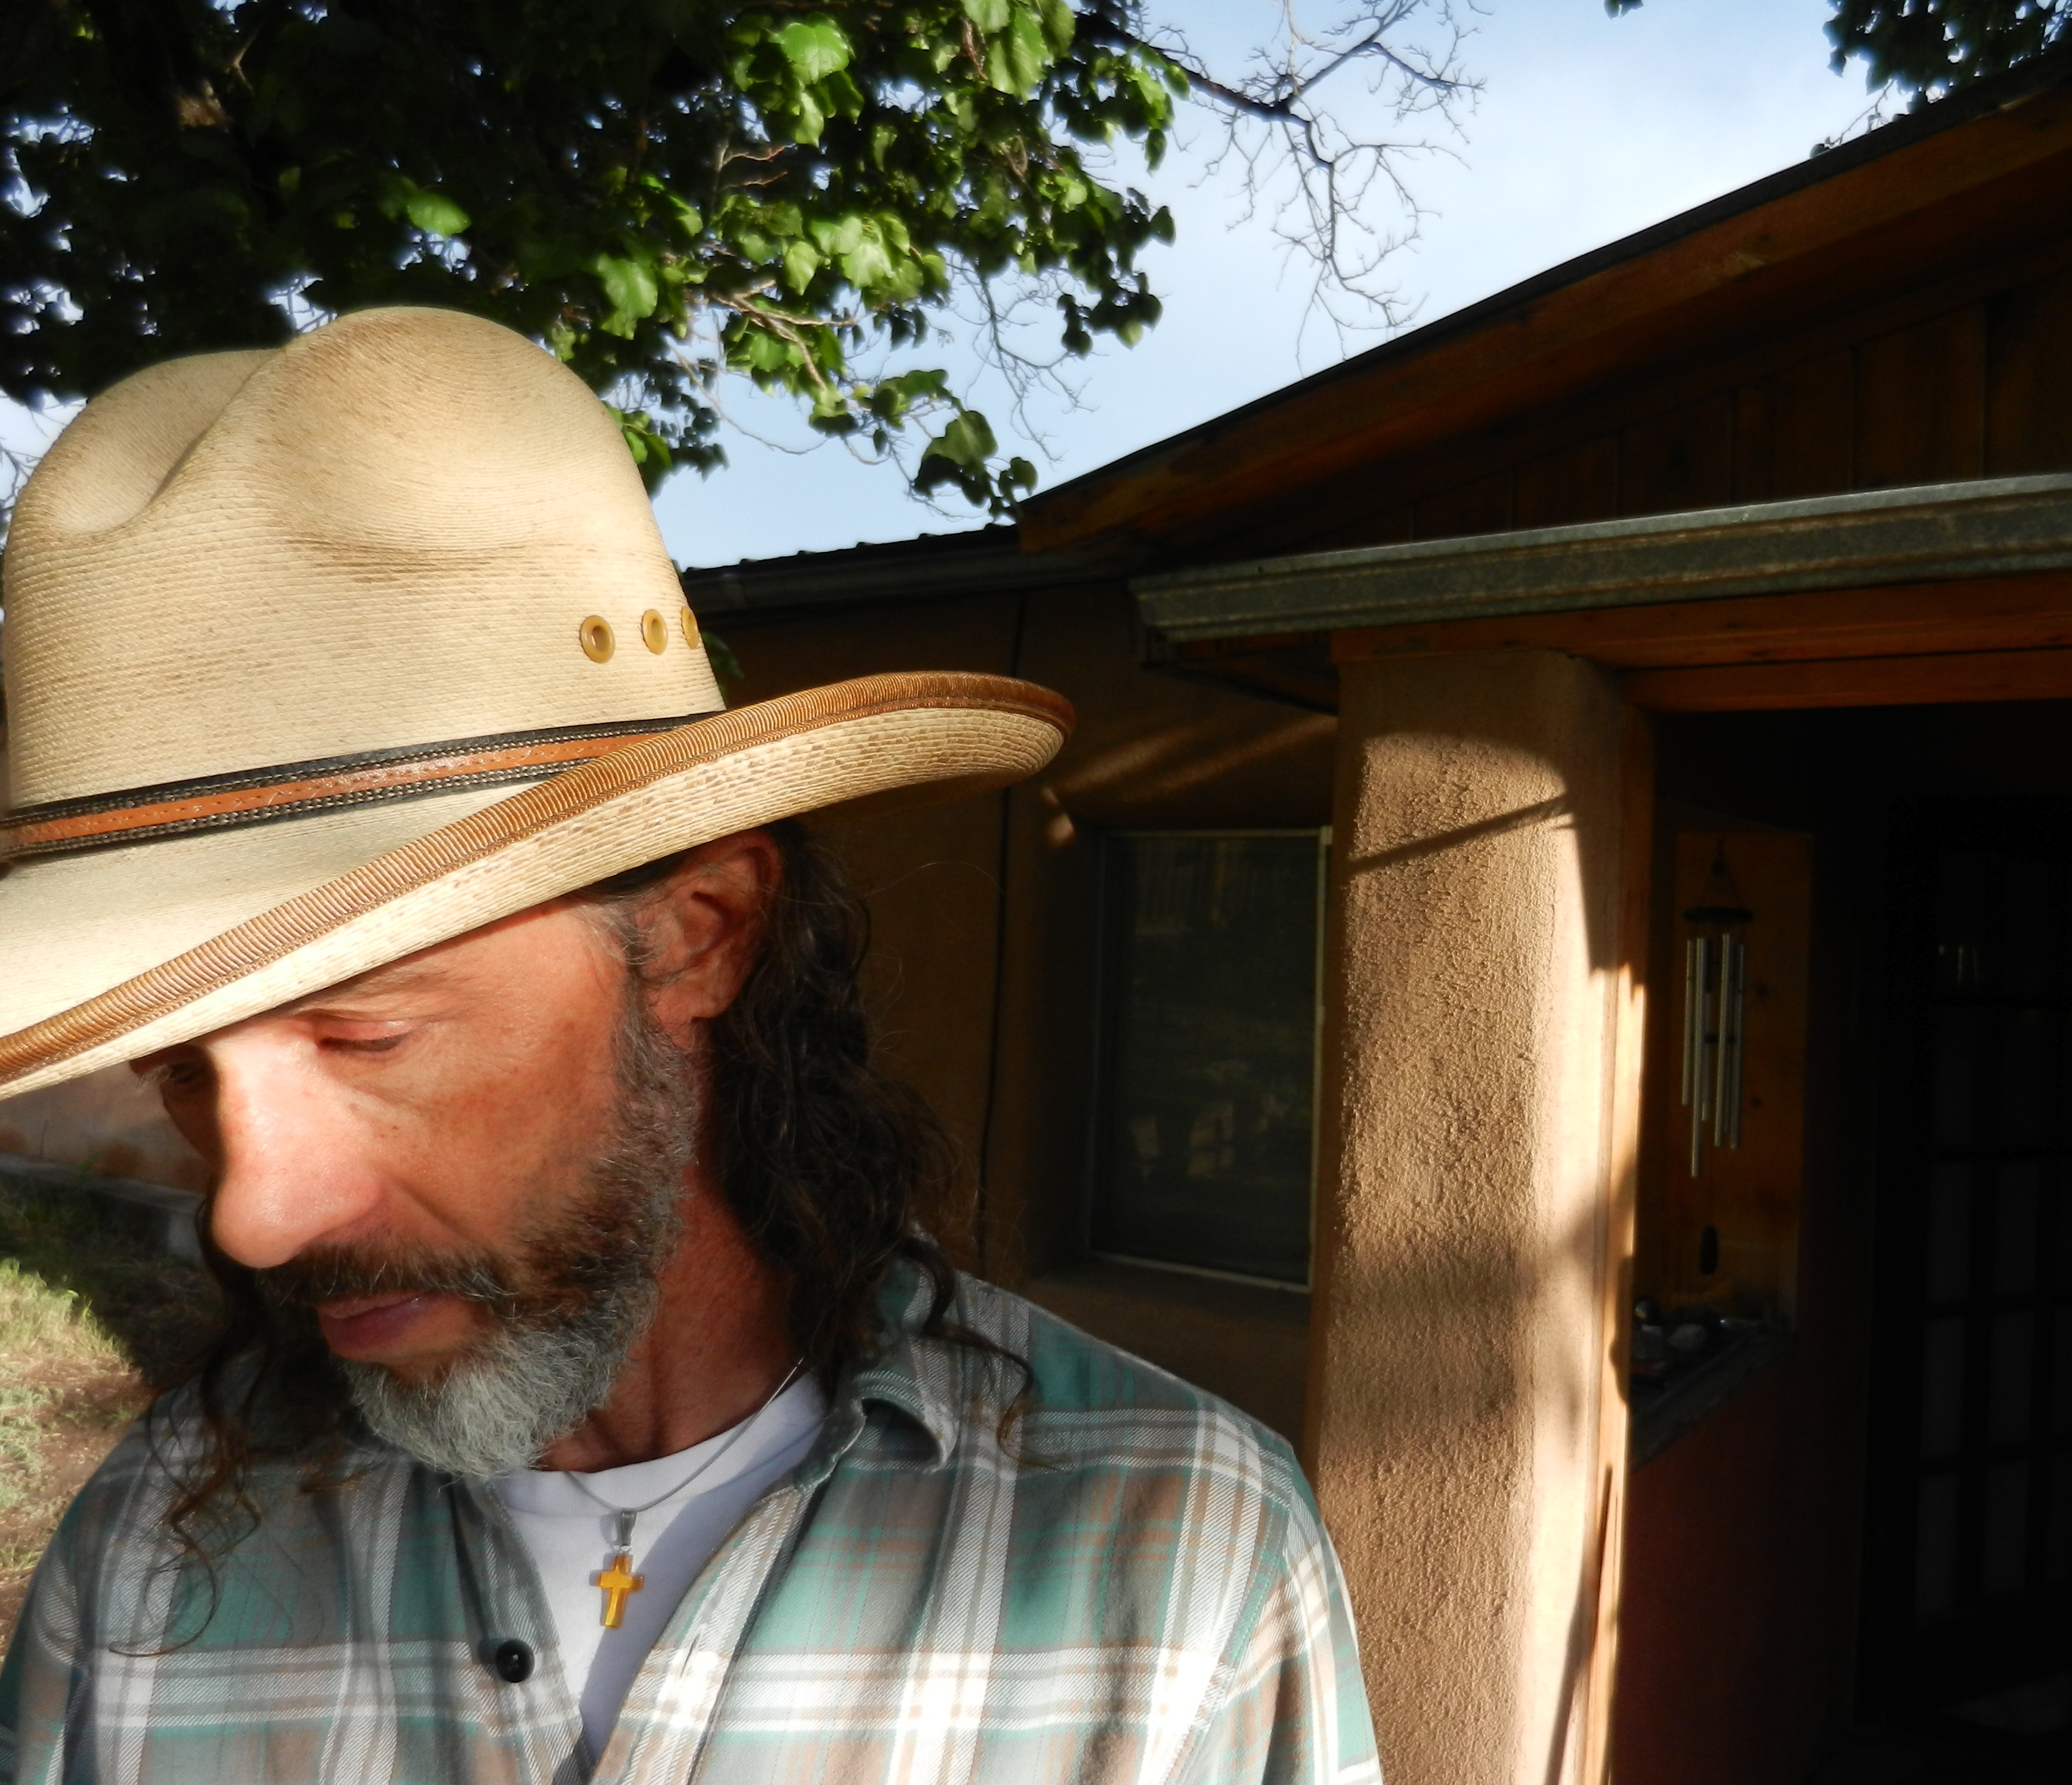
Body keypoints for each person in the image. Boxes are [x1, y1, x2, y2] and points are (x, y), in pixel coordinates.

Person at [0, 308, 1378, 1784]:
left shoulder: (1172, 1552)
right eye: (182, 1069)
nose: (255, 1214)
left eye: (367, 1034)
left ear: (699, 932)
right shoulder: (151, 1551)